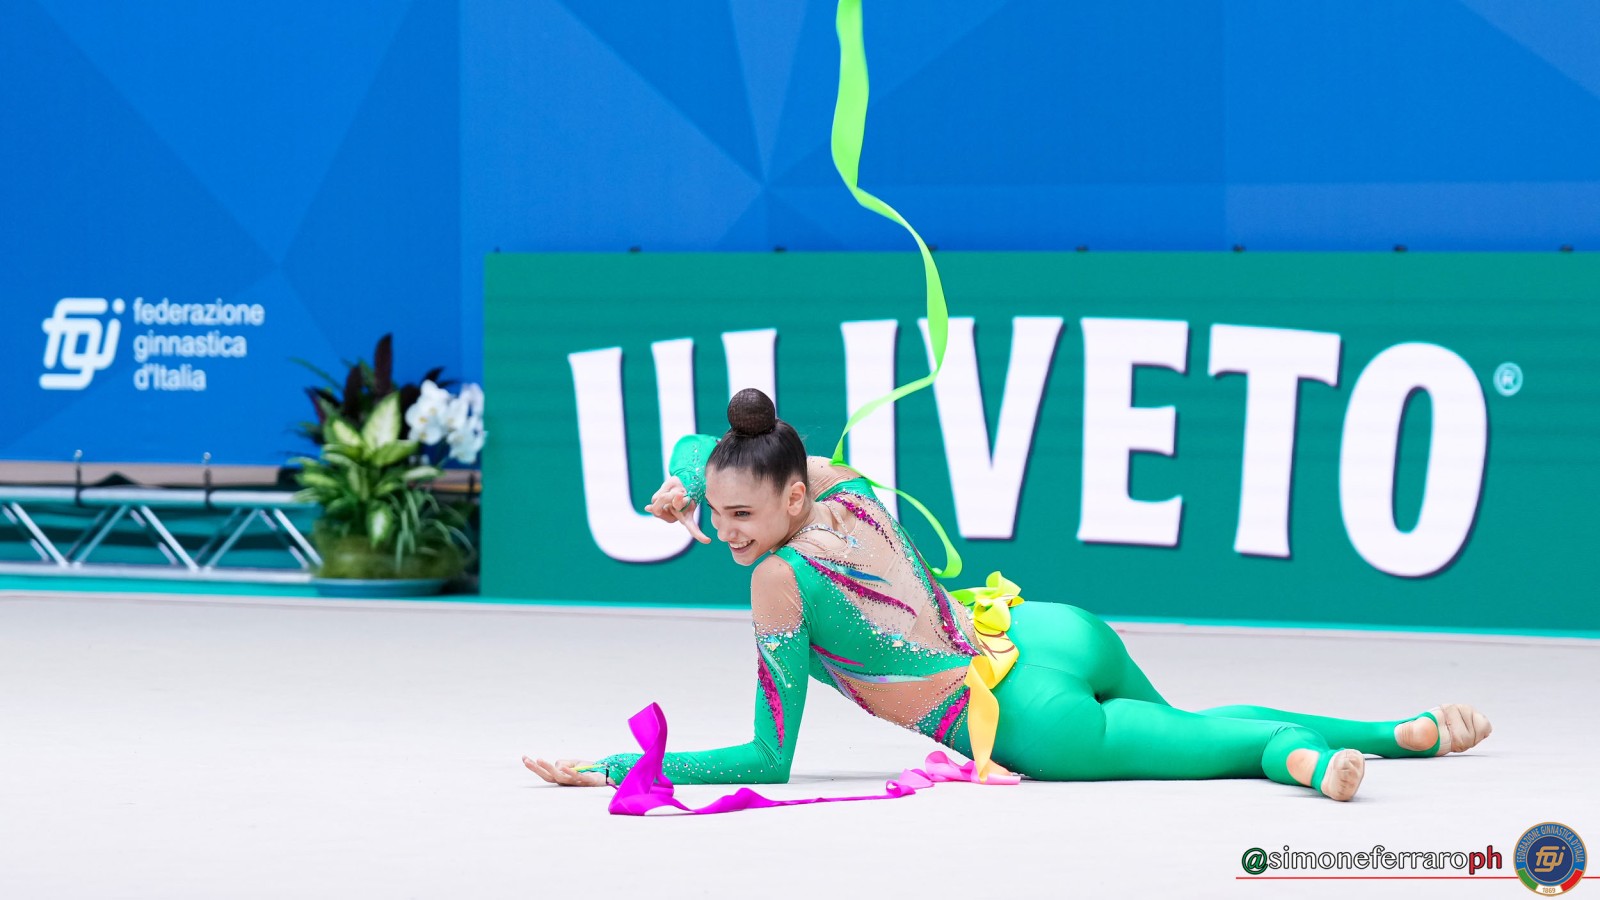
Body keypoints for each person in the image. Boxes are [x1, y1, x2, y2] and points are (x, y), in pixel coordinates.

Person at [524, 388, 1491, 801]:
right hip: (1046, 627)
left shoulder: (777, 582)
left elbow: (768, 760)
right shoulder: (838, 482)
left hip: (1024, 715)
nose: (726, 533)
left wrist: (621, 767)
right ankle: (1387, 734)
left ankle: (1310, 754)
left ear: (789, 499)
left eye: (740, 515)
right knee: (1191, 728)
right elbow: (718, 448)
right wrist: (684, 483)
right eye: (715, 515)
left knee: (1219, 747)